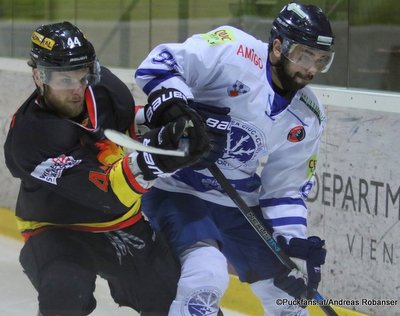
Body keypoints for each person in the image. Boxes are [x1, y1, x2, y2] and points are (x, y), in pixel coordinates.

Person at [134, 2, 334, 315]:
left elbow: (284, 189)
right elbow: (158, 64)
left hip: (235, 200)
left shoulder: (307, 115)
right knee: (206, 277)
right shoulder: (232, 50)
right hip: (175, 188)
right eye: (304, 56)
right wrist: (182, 116)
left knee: (290, 300)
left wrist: (293, 244)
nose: (311, 69)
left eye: (321, 60)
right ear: (278, 47)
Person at [4, 21, 210, 316]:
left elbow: (122, 128)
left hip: (121, 223)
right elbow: (105, 193)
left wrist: (170, 124)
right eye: (64, 81)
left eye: (82, 75)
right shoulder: (29, 137)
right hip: (56, 230)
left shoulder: (105, 90)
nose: (76, 89)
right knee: (66, 292)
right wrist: (157, 158)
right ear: (39, 77)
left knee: (184, 303)